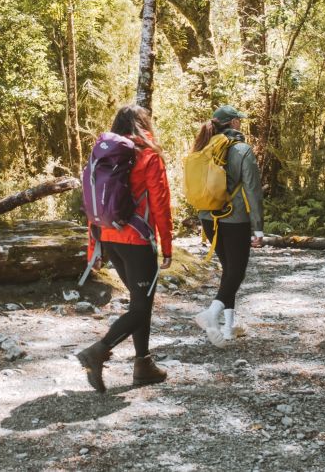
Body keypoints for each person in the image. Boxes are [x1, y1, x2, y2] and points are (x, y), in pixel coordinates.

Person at [77, 105, 173, 393]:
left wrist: (94, 248)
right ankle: (98, 351)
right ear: (144, 124)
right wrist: (167, 245)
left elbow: (92, 205)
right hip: (137, 241)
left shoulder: (103, 157)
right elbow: (160, 203)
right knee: (141, 307)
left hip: (109, 237)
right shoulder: (149, 156)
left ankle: (143, 365)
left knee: (139, 303)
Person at [192, 105, 264, 347]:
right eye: (238, 120)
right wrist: (258, 227)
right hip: (235, 217)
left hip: (208, 216)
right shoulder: (242, 149)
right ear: (233, 123)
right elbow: (252, 189)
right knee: (237, 271)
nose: (240, 123)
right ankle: (212, 314)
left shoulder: (203, 147)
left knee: (228, 270)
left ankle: (229, 326)